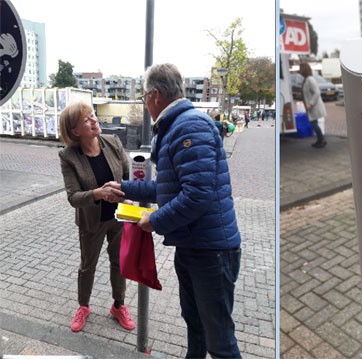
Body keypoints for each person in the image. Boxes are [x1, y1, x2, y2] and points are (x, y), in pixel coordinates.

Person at [105, 63, 242, 358]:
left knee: (219, 339)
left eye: (143, 96)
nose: (144, 102)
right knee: (195, 324)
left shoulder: (189, 126)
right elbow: (168, 189)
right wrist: (124, 188)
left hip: (211, 250)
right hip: (194, 246)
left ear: (155, 95)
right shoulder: (176, 127)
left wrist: (154, 220)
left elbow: (197, 195)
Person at [58, 101, 135, 333]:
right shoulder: (69, 156)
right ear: (75, 131)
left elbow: (126, 175)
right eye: (86, 119)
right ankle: (83, 306)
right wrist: (98, 193)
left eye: (93, 115)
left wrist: (127, 195)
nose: (94, 120)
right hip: (92, 221)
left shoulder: (112, 142)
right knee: (87, 266)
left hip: (118, 216)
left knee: (119, 263)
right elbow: (73, 197)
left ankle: (118, 305)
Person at [299, 62, 327, 148]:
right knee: (314, 123)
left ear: (304, 70)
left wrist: (310, 104)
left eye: (300, 69)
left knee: (313, 123)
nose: (299, 71)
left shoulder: (310, 80)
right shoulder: (306, 79)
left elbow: (317, 92)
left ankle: (321, 140)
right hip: (310, 107)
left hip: (313, 106)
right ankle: (320, 140)